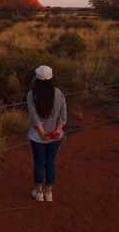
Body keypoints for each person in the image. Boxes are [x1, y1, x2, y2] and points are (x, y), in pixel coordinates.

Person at [26, 65, 67, 202]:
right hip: (55, 136)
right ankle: (49, 193)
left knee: (39, 162)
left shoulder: (32, 95)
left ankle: (39, 193)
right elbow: (63, 115)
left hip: (38, 136)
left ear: (37, 79)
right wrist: (57, 130)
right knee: (50, 163)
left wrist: (43, 132)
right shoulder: (59, 93)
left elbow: (34, 117)